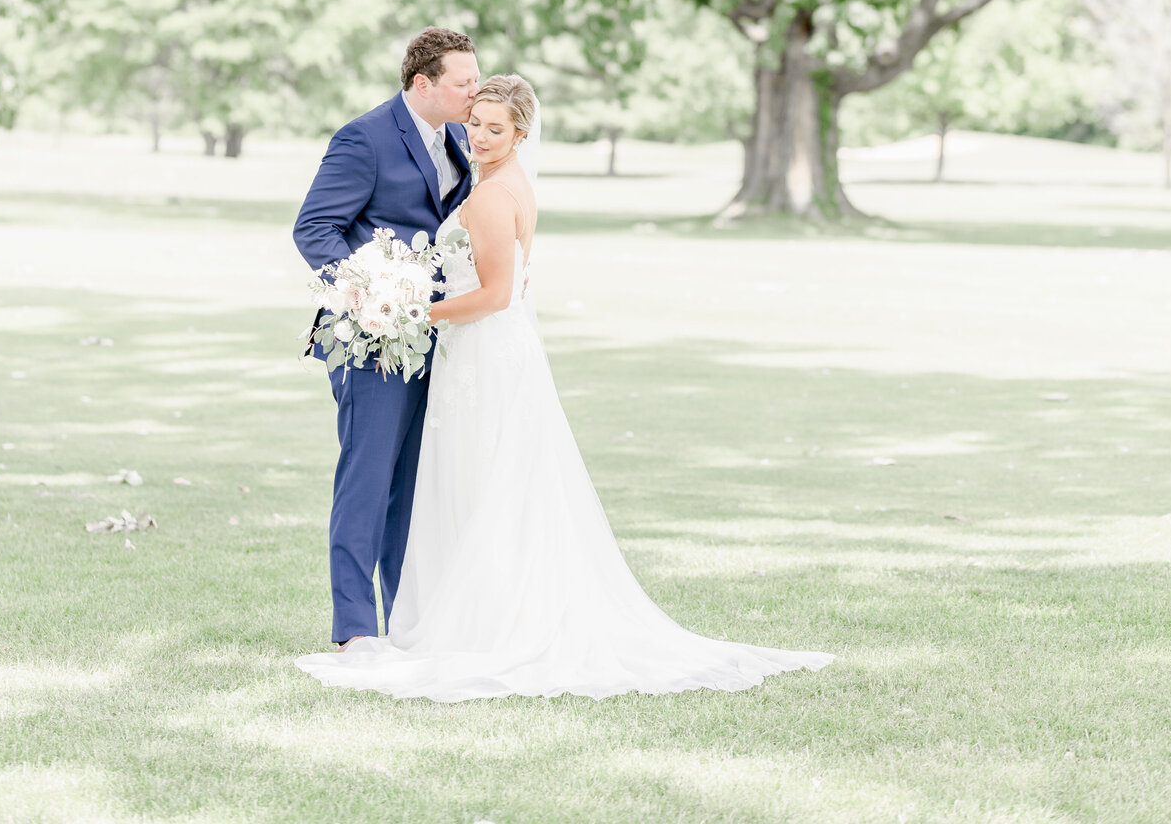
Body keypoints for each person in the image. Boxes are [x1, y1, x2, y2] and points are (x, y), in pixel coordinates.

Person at [296, 73, 832, 700]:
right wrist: (379, 295)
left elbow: (495, 291)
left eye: (494, 126)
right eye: (474, 117)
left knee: (481, 485)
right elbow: (490, 275)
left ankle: (481, 624)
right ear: (427, 83)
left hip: (476, 351)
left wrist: (408, 310)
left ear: (521, 132)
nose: (478, 132)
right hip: (470, 351)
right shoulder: (477, 173)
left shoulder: (492, 193)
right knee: (474, 484)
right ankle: (423, 620)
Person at [293, 26, 478, 648]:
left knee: (415, 485)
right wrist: (372, 291)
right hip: (371, 339)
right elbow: (315, 229)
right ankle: (353, 629)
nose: (475, 93)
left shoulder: (458, 137)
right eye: (463, 83)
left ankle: (402, 619)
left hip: (438, 334)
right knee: (366, 479)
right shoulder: (364, 138)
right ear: (422, 84)